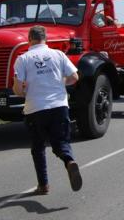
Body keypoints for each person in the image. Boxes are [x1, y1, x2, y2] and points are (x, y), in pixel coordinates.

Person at [13, 25, 82, 195]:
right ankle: (69, 161)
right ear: (46, 39)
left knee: (38, 147)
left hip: (35, 109)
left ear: (29, 39)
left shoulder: (23, 59)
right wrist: (58, 83)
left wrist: (24, 90)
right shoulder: (58, 54)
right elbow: (74, 77)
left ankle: (43, 185)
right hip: (59, 106)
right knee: (61, 143)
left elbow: (18, 90)